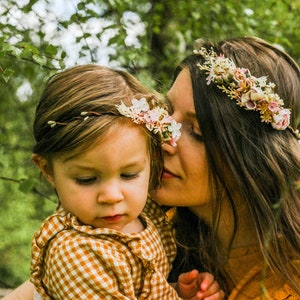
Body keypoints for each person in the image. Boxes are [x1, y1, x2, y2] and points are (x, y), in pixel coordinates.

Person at [6, 64, 224, 300]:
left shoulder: (147, 214)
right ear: (48, 170)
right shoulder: (76, 254)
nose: (112, 195)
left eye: (129, 175)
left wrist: (177, 292)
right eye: (86, 179)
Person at [154, 36, 300, 299]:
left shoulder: (287, 282)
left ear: (251, 156)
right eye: (166, 111)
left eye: (196, 131)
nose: (163, 136)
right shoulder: (134, 229)